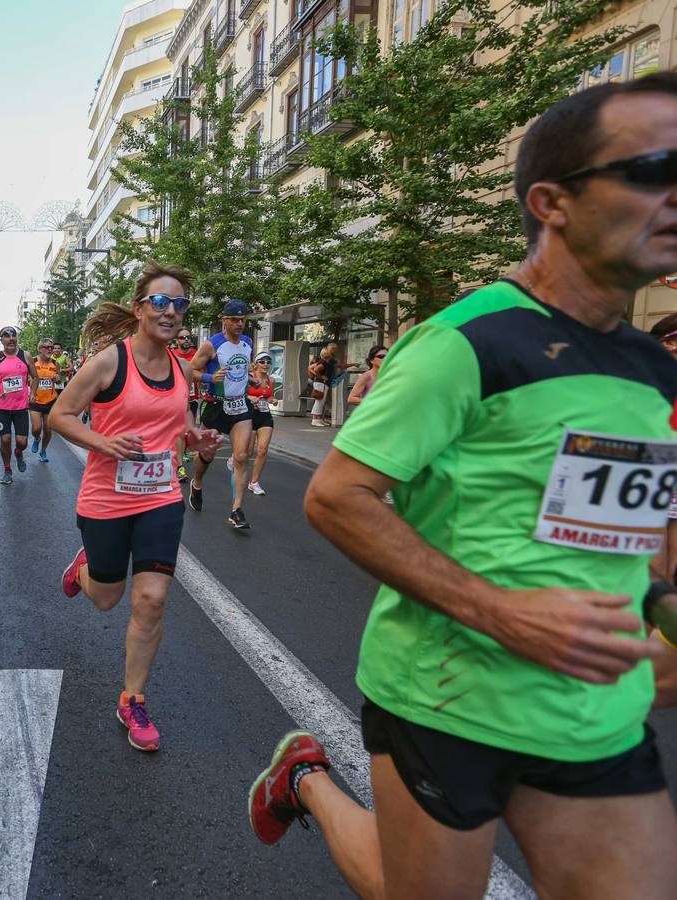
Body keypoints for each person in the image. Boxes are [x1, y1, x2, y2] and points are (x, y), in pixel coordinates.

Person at [248, 74, 677, 899]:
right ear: (552, 202)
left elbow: (631, 535)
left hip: (594, 712)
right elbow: (337, 496)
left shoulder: (656, 369)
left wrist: (659, 610)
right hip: (448, 699)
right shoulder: (466, 342)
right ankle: (305, 779)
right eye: (653, 169)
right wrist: (503, 612)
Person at [52, 261, 220, 752]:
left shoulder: (182, 370)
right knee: (106, 599)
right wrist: (103, 443)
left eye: (179, 304)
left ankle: (133, 698)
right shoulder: (110, 362)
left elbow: (181, 427)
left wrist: (198, 439)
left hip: (161, 498)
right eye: (160, 302)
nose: (170, 312)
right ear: (139, 308)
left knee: (150, 600)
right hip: (106, 498)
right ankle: (83, 569)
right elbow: (62, 415)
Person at [188, 300, 255, 529]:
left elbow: (243, 368)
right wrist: (209, 378)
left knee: (242, 456)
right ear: (224, 320)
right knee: (206, 455)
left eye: (243, 319)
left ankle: (236, 510)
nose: (239, 324)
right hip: (215, 405)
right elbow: (190, 370)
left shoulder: (247, 342)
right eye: (234, 320)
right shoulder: (211, 345)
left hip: (240, 406)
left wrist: (250, 376)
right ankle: (197, 483)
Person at [0, 326, 37, 485]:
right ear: (1, 340)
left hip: (21, 407)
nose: (11, 339)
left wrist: (32, 393)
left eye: (13, 336)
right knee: (5, 440)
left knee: (22, 442)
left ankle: (19, 452)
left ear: (17, 338)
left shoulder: (25, 356)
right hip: (2, 408)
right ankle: (7, 470)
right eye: (7, 336)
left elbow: (35, 377)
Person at [170, 326, 199, 483]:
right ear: (177, 341)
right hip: (177, 400)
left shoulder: (197, 355)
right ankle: (180, 467)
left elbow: (204, 372)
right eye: (182, 337)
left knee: (188, 432)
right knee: (180, 432)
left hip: (193, 401)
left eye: (188, 337)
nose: (186, 340)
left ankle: (177, 455)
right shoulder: (173, 356)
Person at [246, 352, 278, 496]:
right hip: (249, 415)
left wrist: (272, 399)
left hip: (265, 416)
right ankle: (235, 458)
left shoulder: (271, 380)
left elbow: (270, 395)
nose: (266, 364)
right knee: (248, 452)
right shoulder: (250, 377)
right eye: (262, 361)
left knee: (263, 449)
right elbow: (240, 393)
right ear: (256, 363)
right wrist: (250, 397)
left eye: (268, 362)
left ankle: (254, 483)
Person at [29, 338, 61, 463]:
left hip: (50, 400)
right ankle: (36, 439)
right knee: (36, 428)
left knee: (48, 429)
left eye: (51, 347)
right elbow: (26, 378)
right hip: (35, 400)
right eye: (47, 347)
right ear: (39, 349)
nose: (50, 350)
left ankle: (43, 450)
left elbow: (58, 380)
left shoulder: (55, 363)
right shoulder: (32, 361)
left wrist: (57, 378)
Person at [307, 342, 341, 426]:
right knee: (319, 401)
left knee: (321, 401)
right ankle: (315, 419)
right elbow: (315, 369)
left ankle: (318, 419)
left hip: (321, 383)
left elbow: (312, 368)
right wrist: (321, 377)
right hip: (321, 383)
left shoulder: (323, 362)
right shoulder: (323, 363)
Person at [345, 344, 387, 409]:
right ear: (372, 360)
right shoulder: (367, 376)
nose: (385, 359)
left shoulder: (388, 375)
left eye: (387, 356)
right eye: (381, 356)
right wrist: (374, 402)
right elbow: (351, 399)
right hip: (370, 415)